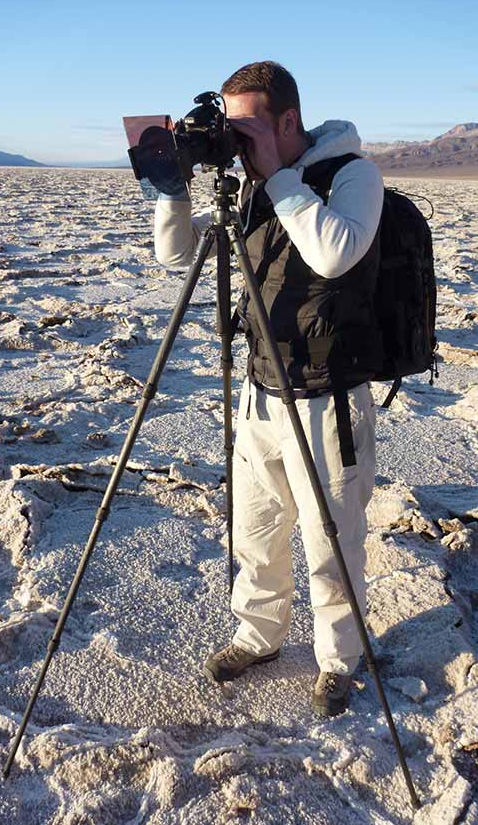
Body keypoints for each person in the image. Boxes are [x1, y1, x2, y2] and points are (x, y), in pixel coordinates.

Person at [153, 61, 385, 716]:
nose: (238, 141)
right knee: (255, 534)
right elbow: (178, 256)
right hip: (259, 393)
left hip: (326, 399)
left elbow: (334, 253)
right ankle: (258, 636)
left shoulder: (352, 175)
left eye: (248, 127)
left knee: (329, 542)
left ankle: (338, 661)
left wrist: (279, 177)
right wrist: (171, 190)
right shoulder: (256, 189)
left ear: (287, 120)